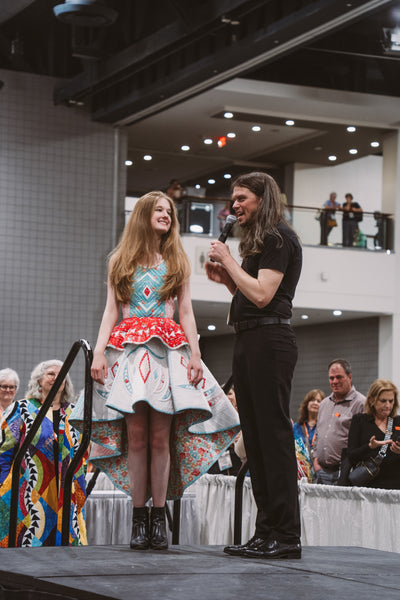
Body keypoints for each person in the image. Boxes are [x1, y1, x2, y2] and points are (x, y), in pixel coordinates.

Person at [70, 191, 239, 552]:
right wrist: (98, 351)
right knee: (136, 438)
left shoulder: (177, 260)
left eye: (169, 211)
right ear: (143, 214)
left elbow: (187, 311)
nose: (166, 215)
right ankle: (138, 518)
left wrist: (196, 354)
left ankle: (158, 516)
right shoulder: (120, 261)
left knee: (161, 438)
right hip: (128, 353)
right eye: (159, 209)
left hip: (167, 352)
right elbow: (111, 310)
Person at [206, 171, 302, 560]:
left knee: (273, 440)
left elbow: (263, 295)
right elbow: (248, 294)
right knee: (257, 443)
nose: (235, 205)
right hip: (250, 340)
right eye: (234, 199)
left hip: (270, 341)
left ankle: (286, 534)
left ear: (263, 200)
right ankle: (266, 532)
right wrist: (227, 278)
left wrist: (229, 260)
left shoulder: (279, 237)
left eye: (242, 198)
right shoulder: (262, 241)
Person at [0, 360, 87, 547]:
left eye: (60, 375)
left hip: (65, 491)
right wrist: (3, 481)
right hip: (28, 491)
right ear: (39, 380)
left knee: (64, 548)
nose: (56, 378)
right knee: (27, 543)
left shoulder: (73, 413)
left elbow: (81, 454)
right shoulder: (22, 409)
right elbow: (4, 450)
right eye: (51, 374)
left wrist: (80, 486)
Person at [312, 358, 365, 485]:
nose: (335, 381)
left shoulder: (361, 403)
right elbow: (318, 434)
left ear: (349, 377)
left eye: (339, 377)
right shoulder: (324, 404)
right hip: (321, 471)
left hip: (345, 473)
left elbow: (364, 441)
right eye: (331, 378)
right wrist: (315, 459)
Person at [347, 379, 400, 489]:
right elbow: (351, 455)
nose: (388, 405)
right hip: (368, 485)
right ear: (372, 400)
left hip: (395, 485)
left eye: (391, 401)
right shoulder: (360, 420)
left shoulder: (397, 421)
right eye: (383, 401)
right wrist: (369, 447)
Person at [293, 389, 324, 482]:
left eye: (318, 401)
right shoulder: (297, 426)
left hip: (319, 471)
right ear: (306, 404)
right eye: (312, 400)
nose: (315, 403)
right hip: (299, 472)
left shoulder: (324, 427)